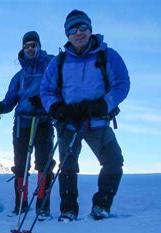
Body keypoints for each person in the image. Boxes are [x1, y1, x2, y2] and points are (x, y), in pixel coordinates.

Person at [40, 9, 130, 221]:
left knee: (114, 161)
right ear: (67, 35)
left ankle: (101, 205)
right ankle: (68, 210)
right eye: (72, 29)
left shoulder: (107, 55)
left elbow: (122, 83)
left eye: (82, 27)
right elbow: (46, 90)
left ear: (90, 29)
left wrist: (103, 104)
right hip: (68, 123)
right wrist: (56, 108)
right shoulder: (59, 62)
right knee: (67, 167)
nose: (78, 33)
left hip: (97, 121)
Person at [0, 31, 55, 219]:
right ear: (23, 48)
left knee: (44, 163)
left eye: (33, 45)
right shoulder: (19, 76)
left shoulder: (50, 67)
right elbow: (9, 101)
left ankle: (42, 206)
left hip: (43, 121)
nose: (30, 48)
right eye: (27, 46)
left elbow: (56, 90)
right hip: (22, 122)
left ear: (39, 46)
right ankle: (20, 205)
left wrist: (45, 102)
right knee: (21, 164)